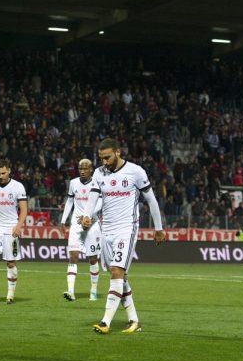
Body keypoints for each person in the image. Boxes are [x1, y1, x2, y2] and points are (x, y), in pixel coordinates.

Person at [81, 138, 166, 335]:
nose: (104, 162)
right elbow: (93, 197)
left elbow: (151, 200)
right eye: (101, 158)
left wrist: (159, 228)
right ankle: (134, 320)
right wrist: (86, 216)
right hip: (106, 230)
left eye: (107, 157)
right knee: (120, 277)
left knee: (116, 272)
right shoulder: (99, 173)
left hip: (126, 229)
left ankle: (105, 322)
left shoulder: (136, 172)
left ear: (118, 152)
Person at [0, 158, 28, 305]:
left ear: (9, 171)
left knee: (10, 263)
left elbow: (24, 209)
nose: (0, 176)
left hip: (10, 228)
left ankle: (10, 295)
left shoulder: (18, 187)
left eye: (3, 173)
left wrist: (18, 226)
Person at [59, 158, 103, 302]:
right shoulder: (73, 183)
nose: (82, 171)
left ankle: (93, 291)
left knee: (93, 259)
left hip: (92, 224)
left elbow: (100, 202)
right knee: (73, 256)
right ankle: (71, 291)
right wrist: (63, 220)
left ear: (91, 170)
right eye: (80, 169)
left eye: (85, 169)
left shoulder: (97, 183)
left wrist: (87, 216)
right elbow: (70, 201)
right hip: (76, 224)